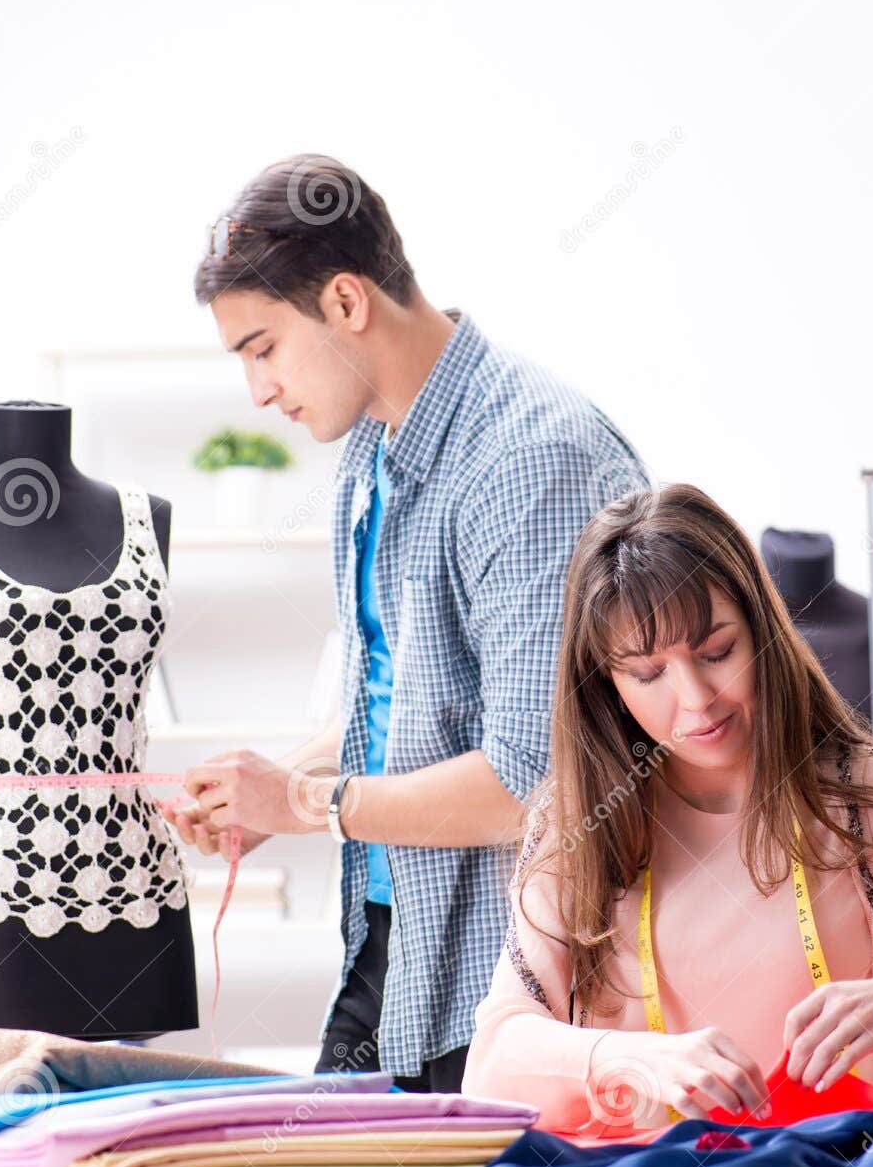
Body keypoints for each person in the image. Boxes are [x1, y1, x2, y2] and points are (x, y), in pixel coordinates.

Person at [163, 153, 650, 1091]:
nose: (258, 391)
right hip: (398, 944)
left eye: (263, 348)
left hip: (520, 976)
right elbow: (413, 712)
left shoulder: (531, 459)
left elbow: (532, 782)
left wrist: (307, 804)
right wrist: (269, 790)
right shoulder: (371, 453)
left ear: (346, 302)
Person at [462, 483, 873, 1132]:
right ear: (604, 681)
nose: (696, 699)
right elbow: (493, 1065)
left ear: (764, 631)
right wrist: (634, 1058)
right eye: (647, 672)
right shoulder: (579, 828)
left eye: (717, 652)